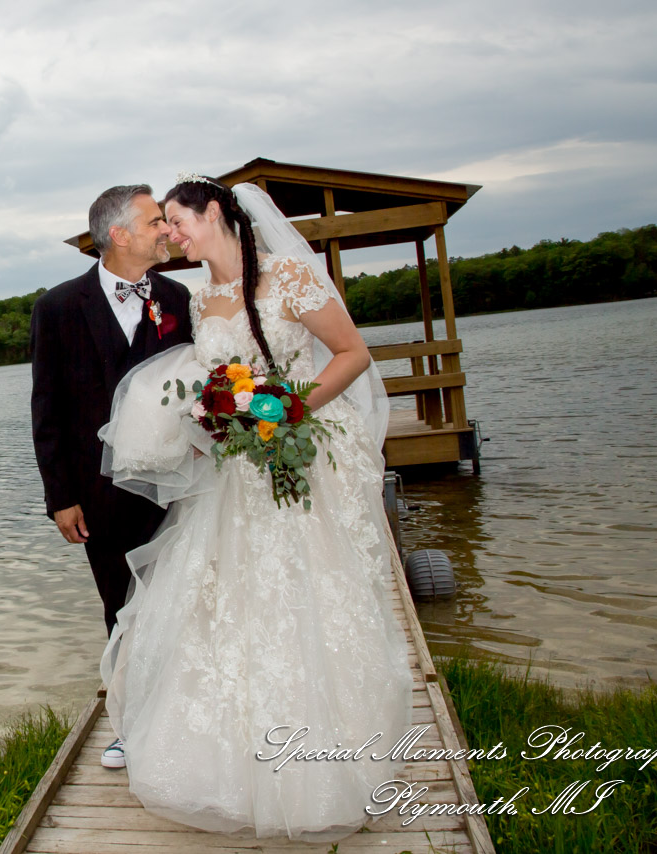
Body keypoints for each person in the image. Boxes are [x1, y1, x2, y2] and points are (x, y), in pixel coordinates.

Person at [95, 175, 412, 840]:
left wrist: (290, 408)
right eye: (167, 228)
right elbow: (210, 381)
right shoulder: (200, 296)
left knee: (305, 595)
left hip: (295, 459)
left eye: (179, 222)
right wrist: (208, 417)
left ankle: (324, 764)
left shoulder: (290, 276)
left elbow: (352, 355)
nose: (172, 236)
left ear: (215, 213)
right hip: (236, 476)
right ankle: (226, 768)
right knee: (224, 603)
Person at [30, 184, 194, 768]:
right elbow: (46, 409)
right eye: (155, 221)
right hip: (98, 493)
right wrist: (60, 499)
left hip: (177, 483)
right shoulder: (57, 308)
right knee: (120, 605)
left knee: (182, 599)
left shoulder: (178, 297)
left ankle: (182, 715)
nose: (166, 231)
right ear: (119, 234)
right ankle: (128, 721)